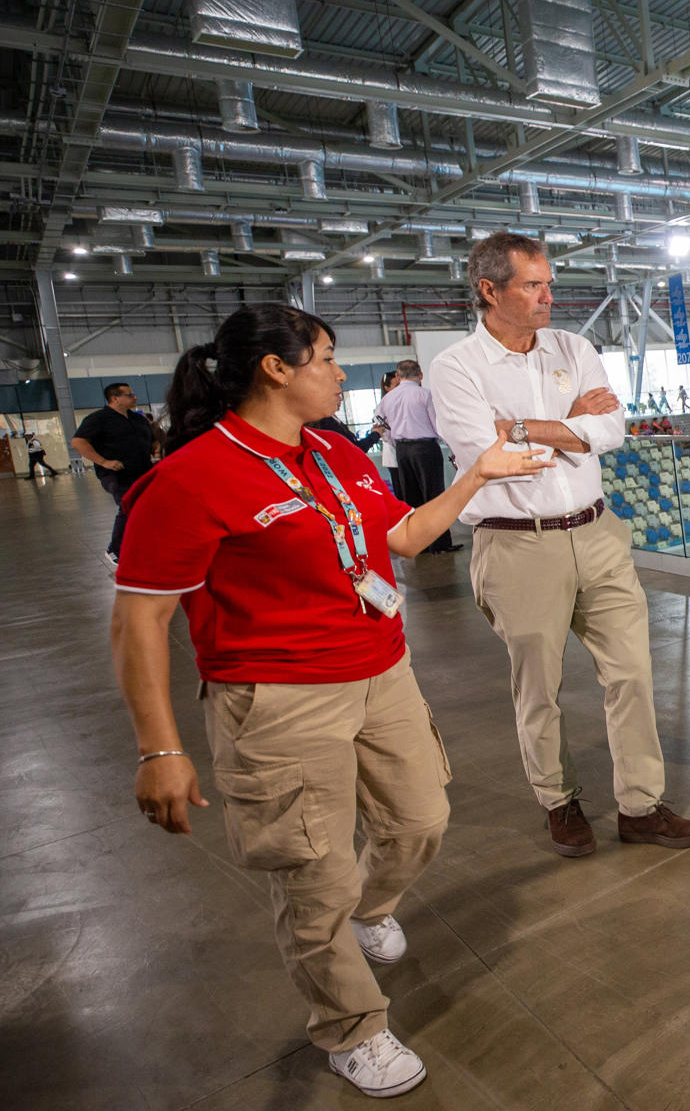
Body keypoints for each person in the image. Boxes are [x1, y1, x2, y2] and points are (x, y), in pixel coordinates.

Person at [108, 303, 548, 1097]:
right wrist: (160, 748)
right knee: (312, 877)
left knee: (421, 820)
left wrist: (477, 476)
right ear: (276, 369)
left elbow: (403, 538)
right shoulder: (188, 478)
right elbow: (140, 619)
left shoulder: (335, 452)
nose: (341, 373)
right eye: (326, 358)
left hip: (382, 670)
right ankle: (353, 1028)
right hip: (276, 701)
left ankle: (369, 908)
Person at [430, 232, 690, 858]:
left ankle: (641, 805)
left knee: (633, 672)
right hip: (516, 547)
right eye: (533, 285)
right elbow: (492, 456)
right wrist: (565, 425)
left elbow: (610, 429)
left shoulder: (573, 346)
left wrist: (526, 425)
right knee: (539, 688)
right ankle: (558, 800)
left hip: (597, 532)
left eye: (548, 283)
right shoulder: (454, 369)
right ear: (490, 290)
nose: (548, 296)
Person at [73, 381, 159, 564]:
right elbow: (78, 442)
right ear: (115, 398)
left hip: (143, 470)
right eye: (129, 395)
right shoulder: (98, 419)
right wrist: (104, 462)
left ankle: (148, 544)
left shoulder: (138, 419)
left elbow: (151, 440)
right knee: (129, 504)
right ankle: (115, 550)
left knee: (152, 507)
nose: (134, 397)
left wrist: (156, 450)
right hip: (116, 474)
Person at [378, 360, 458, 554]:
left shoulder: (388, 398)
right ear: (420, 375)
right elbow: (438, 424)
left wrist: (394, 442)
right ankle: (439, 544)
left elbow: (382, 425)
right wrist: (453, 447)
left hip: (402, 451)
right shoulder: (425, 395)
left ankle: (418, 544)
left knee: (411, 497)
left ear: (398, 376)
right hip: (425, 448)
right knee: (434, 496)